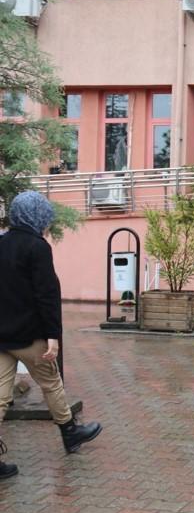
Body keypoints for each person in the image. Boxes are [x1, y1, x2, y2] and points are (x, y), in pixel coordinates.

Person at [0, 191, 103, 480]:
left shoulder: (1, 242)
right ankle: (70, 433)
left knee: (0, 397)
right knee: (51, 384)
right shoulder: (38, 247)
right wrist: (53, 336)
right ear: (37, 216)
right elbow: (47, 295)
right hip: (30, 337)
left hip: (1, 337)